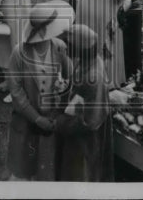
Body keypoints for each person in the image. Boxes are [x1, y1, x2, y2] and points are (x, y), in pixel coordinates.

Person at [6, 1, 74, 181]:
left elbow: (70, 78)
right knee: (24, 170)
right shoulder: (18, 53)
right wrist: (37, 118)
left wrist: (63, 87)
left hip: (52, 120)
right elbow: (16, 92)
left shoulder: (59, 47)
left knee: (46, 169)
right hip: (26, 121)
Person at [55, 24, 114, 182]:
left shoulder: (92, 77)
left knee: (80, 173)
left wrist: (58, 122)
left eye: (70, 45)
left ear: (81, 49)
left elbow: (86, 121)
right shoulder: (88, 61)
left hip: (86, 138)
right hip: (83, 123)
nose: (67, 48)